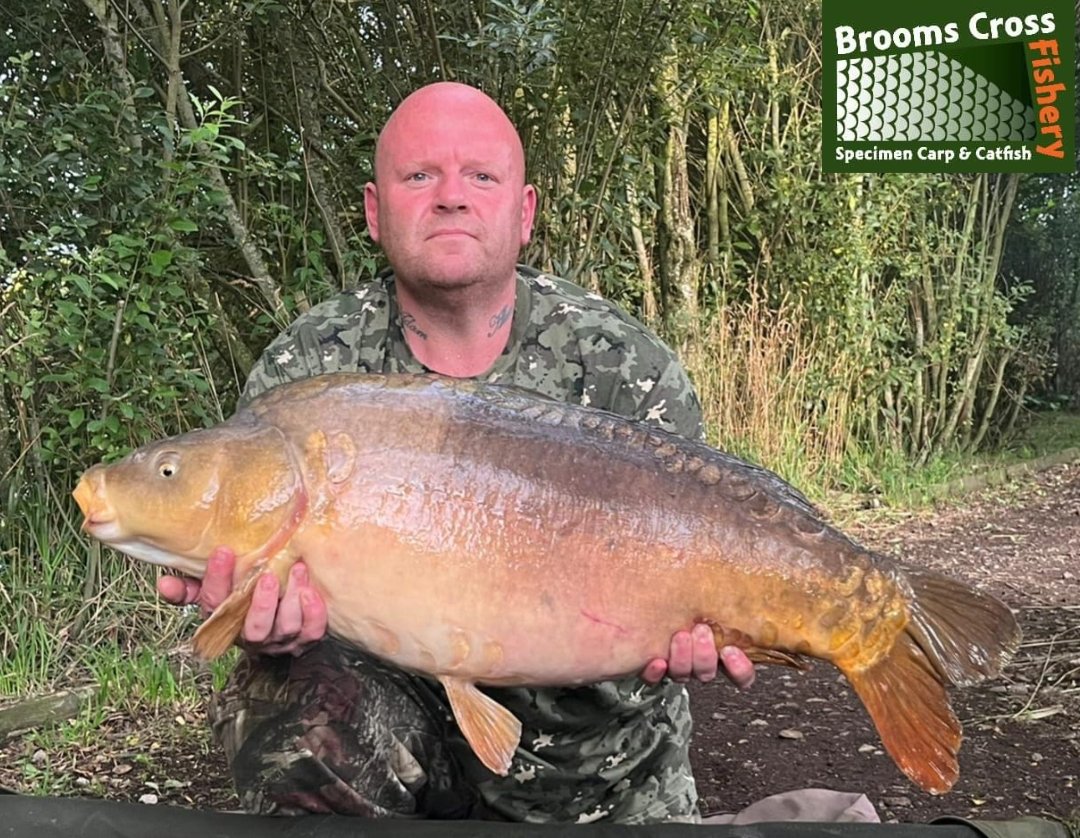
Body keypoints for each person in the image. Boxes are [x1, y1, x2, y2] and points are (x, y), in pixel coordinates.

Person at [158, 81, 756, 824]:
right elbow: (268, 586)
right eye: (419, 176)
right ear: (375, 213)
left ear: (525, 211)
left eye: (480, 175)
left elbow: (695, 551)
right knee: (279, 696)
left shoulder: (623, 360)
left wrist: (701, 626)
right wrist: (266, 628)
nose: (450, 197)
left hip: (602, 765)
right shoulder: (309, 369)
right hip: (398, 732)